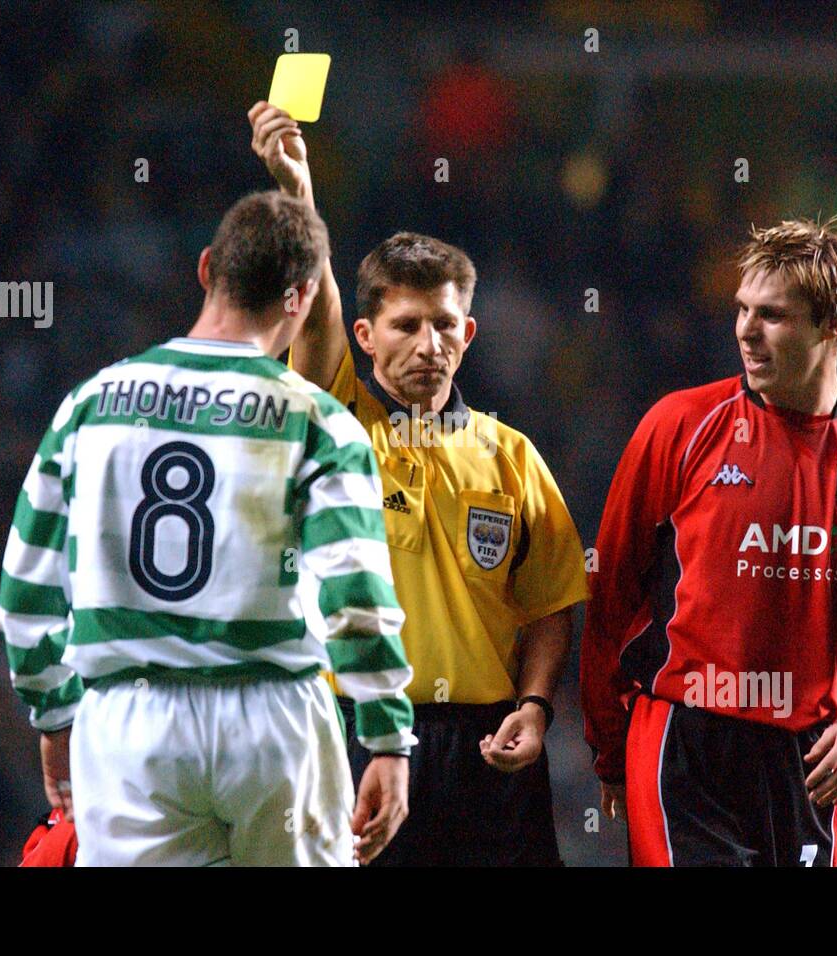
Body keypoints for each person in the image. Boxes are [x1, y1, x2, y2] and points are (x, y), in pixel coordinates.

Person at [0, 190, 415, 866]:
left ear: (206, 269)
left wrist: (53, 717)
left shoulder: (89, 406)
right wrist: (388, 737)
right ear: (302, 297)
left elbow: (23, 596)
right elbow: (355, 595)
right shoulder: (317, 421)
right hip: (274, 720)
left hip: (131, 723)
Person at [249, 102, 589, 866]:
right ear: (365, 337)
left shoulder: (512, 456)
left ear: (468, 333)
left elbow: (550, 608)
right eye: (405, 325)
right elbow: (315, 304)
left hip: (488, 750)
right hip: (357, 734)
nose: (427, 344)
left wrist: (535, 707)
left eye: (443, 324)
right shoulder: (338, 422)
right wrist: (297, 190)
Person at [583, 217, 837, 866]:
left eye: (772, 315)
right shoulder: (677, 426)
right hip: (683, 741)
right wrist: (608, 745)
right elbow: (612, 594)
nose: (745, 330)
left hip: (805, 759)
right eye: (741, 309)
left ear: (834, 324)